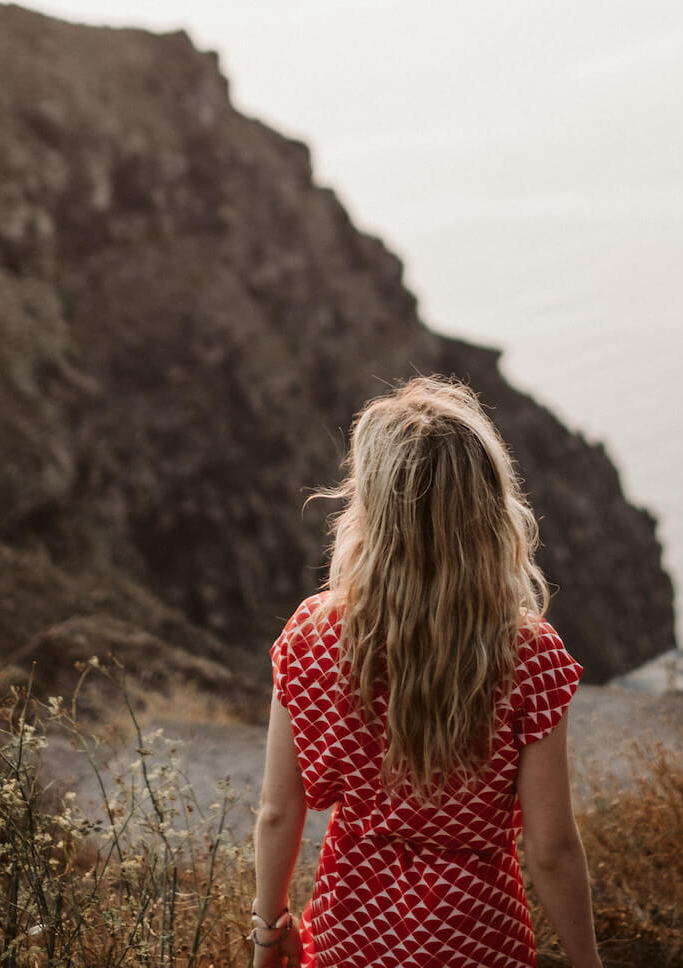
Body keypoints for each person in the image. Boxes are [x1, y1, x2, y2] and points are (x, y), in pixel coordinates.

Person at [251, 375, 603, 968]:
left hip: (351, 931)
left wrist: (269, 931)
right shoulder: (529, 655)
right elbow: (551, 850)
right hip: (478, 937)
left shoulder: (313, 636)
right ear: (489, 510)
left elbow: (278, 812)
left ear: (371, 510)